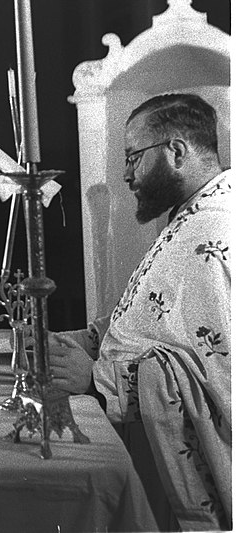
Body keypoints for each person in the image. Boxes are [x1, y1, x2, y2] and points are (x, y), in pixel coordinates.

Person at [50, 93, 231, 530]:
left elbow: (220, 369)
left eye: (134, 157)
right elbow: (161, 321)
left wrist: (98, 381)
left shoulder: (212, 228)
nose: (127, 174)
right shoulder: (191, 216)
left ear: (177, 152)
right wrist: (91, 338)